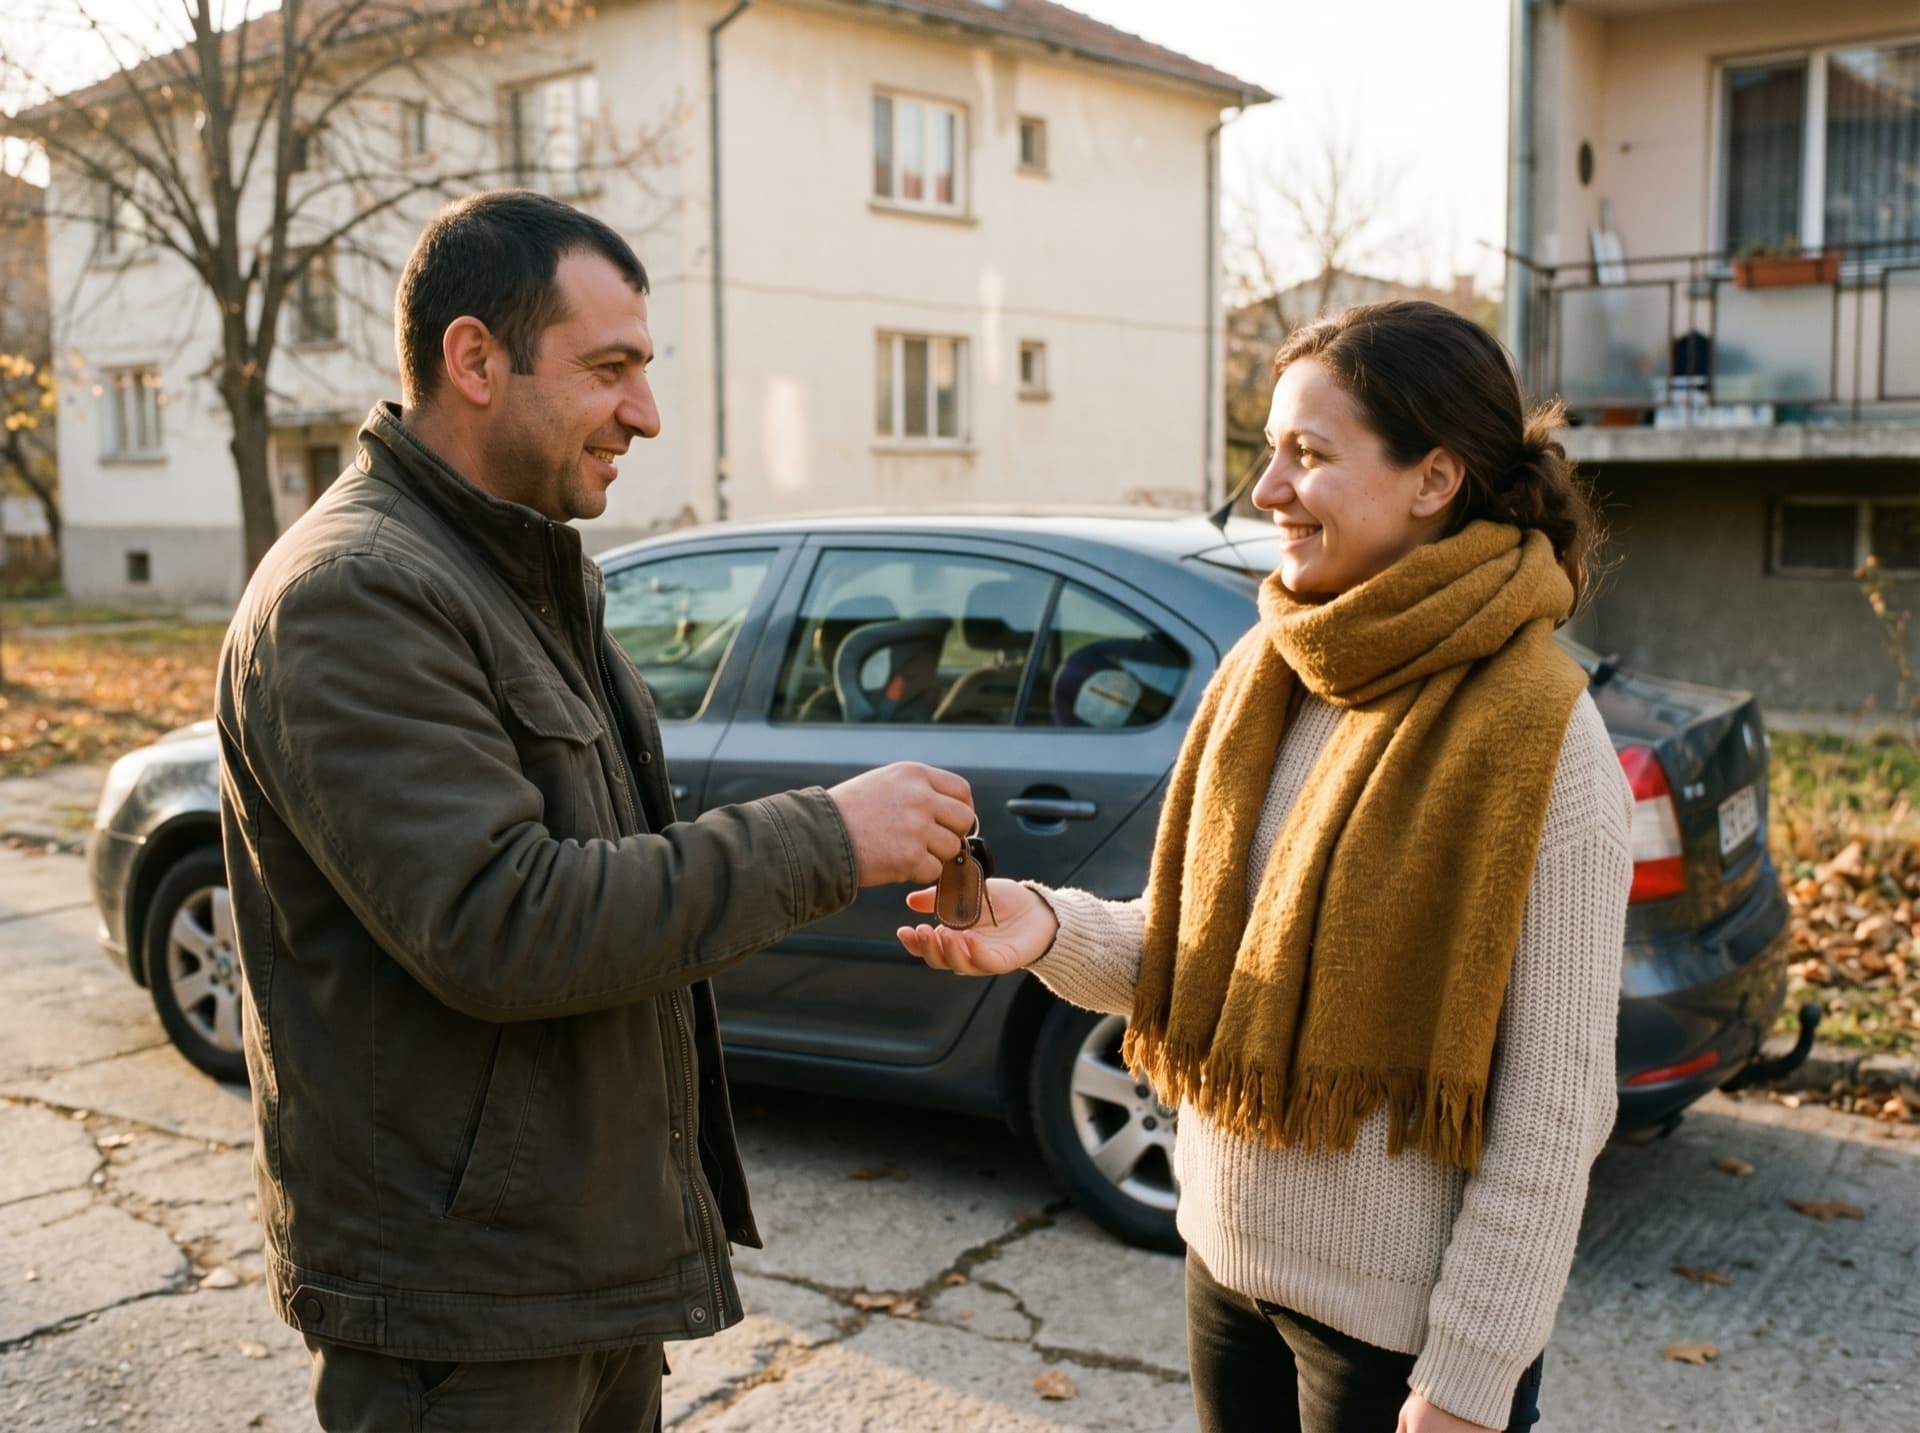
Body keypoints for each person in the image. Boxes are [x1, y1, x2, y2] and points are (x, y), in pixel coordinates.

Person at [216, 190, 976, 1432]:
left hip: (572, 1272)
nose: (646, 412)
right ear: (475, 360)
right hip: (462, 1311)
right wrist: (827, 837)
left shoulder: (517, 573)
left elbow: (610, 883)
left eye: (644, 369)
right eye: (609, 368)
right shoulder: (355, 592)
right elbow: (501, 921)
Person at [898, 300, 1634, 1433]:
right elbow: (1201, 954)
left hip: (1397, 1334)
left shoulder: (1543, 732)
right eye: (1268, 450)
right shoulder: (1270, 670)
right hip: (1225, 1264)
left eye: (1309, 454)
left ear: (1434, 478)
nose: (1266, 490)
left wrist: (1471, 1375)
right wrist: (1043, 924)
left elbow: (1558, 1100)